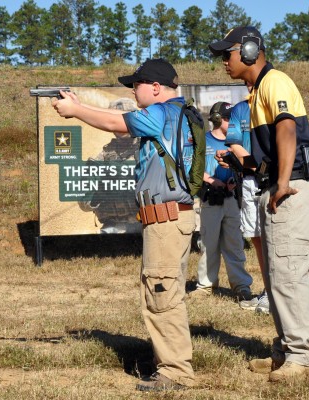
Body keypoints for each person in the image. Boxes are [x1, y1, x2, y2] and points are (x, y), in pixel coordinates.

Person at [52, 58, 197, 392]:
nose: (133, 91)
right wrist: (78, 104)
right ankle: (172, 361)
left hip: (166, 217)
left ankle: (175, 371)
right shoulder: (179, 113)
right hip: (173, 217)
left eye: (137, 85)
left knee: (161, 292)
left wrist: (76, 111)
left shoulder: (161, 114)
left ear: (156, 88)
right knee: (166, 290)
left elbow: (117, 122)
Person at [209, 26, 309, 382]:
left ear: (249, 50)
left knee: (288, 274)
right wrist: (243, 164)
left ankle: (301, 357)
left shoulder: (275, 82)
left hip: (290, 188)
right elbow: (268, 152)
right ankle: (285, 350)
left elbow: (287, 130)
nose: (224, 62)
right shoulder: (258, 93)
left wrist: (283, 182)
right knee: (276, 276)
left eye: (227, 54)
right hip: (275, 184)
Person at [191, 101, 253, 301]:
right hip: (212, 198)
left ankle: (241, 285)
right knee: (209, 244)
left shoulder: (237, 143)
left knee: (234, 244)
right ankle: (205, 285)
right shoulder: (204, 140)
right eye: (229, 120)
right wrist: (211, 180)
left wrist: (237, 180)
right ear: (219, 120)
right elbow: (193, 166)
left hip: (233, 199)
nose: (233, 124)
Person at [226, 94, 270, 315]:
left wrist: (266, 170)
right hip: (250, 180)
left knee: (274, 237)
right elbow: (234, 142)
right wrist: (255, 168)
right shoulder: (239, 109)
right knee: (257, 237)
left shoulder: (272, 99)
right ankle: (268, 290)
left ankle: (277, 292)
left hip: (273, 179)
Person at [78, 97, 140, 234]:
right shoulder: (103, 157)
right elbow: (83, 203)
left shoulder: (149, 148)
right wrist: (102, 189)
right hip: (114, 228)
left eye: (124, 118)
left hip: (144, 224)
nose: (119, 124)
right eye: (114, 118)